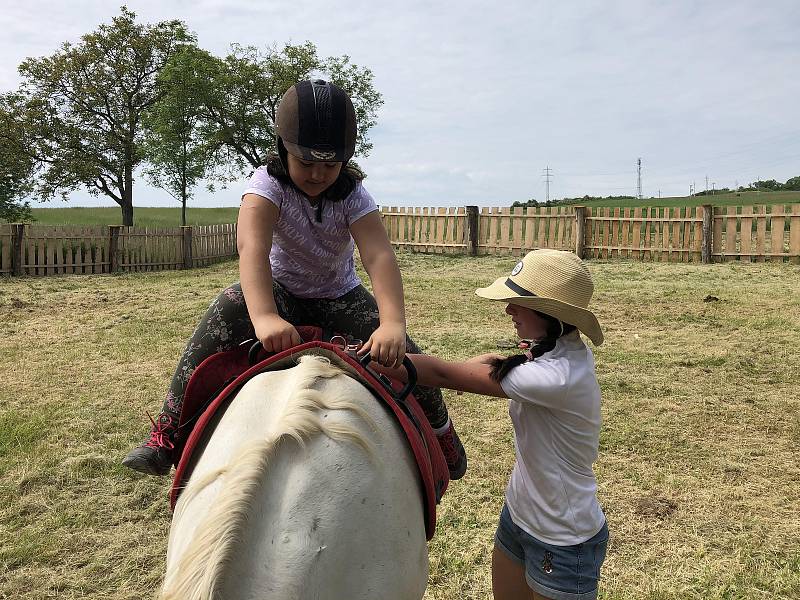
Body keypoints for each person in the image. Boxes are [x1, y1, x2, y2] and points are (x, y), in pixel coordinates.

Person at [122, 79, 466, 480]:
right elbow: (252, 248)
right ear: (283, 149)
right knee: (226, 308)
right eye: (306, 162)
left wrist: (392, 323)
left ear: (346, 159)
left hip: (340, 294)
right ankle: (169, 431)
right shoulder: (267, 187)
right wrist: (265, 316)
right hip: (281, 292)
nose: (318, 174)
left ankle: (441, 432)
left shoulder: (353, 195)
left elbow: (377, 254)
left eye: (329, 164)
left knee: (405, 355)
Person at [375, 249, 609, 600]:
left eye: (518, 301)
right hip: (519, 516)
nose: (508, 309)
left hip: (562, 539)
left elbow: (440, 373)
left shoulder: (555, 378)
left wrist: (367, 358)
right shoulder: (558, 349)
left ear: (549, 314)